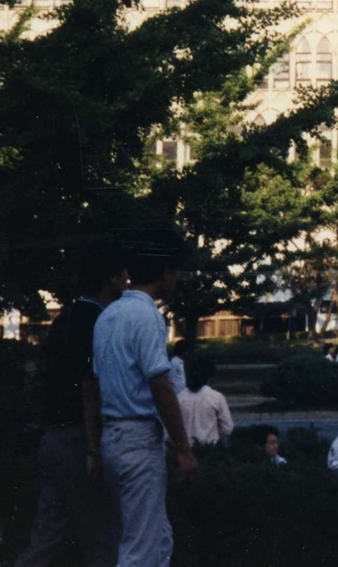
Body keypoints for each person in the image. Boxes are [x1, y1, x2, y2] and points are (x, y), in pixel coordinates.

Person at [15, 242, 126, 567]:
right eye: (123, 273)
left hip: (53, 437)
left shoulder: (65, 318)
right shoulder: (100, 321)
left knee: (48, 537)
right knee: (104, 537)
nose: (128, 280)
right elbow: (92, 386)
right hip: (82, 439)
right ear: (110, 278)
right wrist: (95, 448)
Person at [92, 233, 197, 567]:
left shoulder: (106, 316)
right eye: (176, 271)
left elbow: (93, 384)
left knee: (156, 537)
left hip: (112, 437)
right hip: (137, 439)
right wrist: (183, 448)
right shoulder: (148, 316)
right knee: (142, 548)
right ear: (165, 271)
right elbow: (161, 385)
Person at [177, 355, 234, 447]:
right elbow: (228, 428)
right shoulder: (217, 397)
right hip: (210, 450)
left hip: (186, 450)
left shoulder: (179, 398)